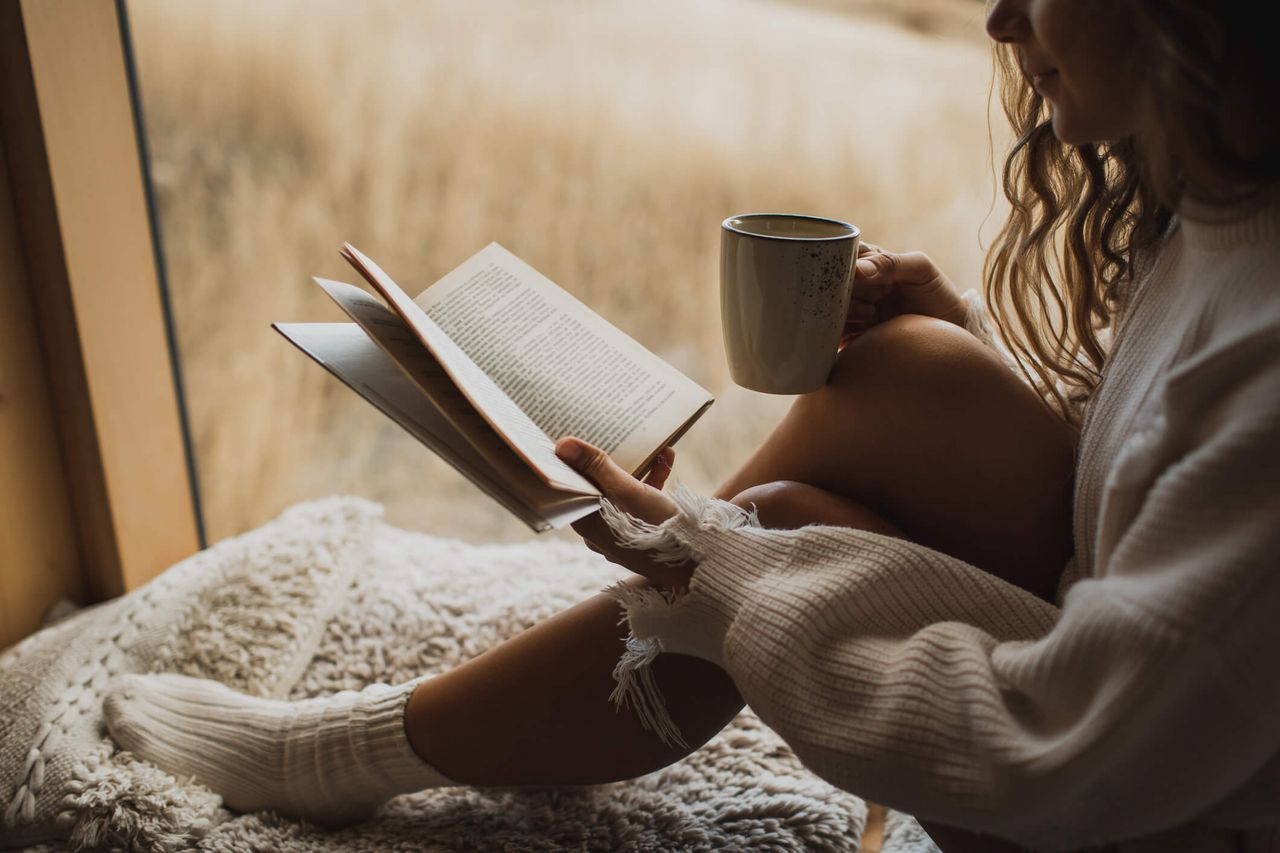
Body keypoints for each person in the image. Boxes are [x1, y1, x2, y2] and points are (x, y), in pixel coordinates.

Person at [104, 0, 1280, 849]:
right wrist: (961, 342)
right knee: (906, 377)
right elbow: (1157, 482)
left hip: (1150, 810)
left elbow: (1063, 753)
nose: (997, 21)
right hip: (1164, 735)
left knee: (753, 540)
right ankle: (620, 620)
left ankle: (337, 757)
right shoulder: (1221, 217)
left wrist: (735, 585)